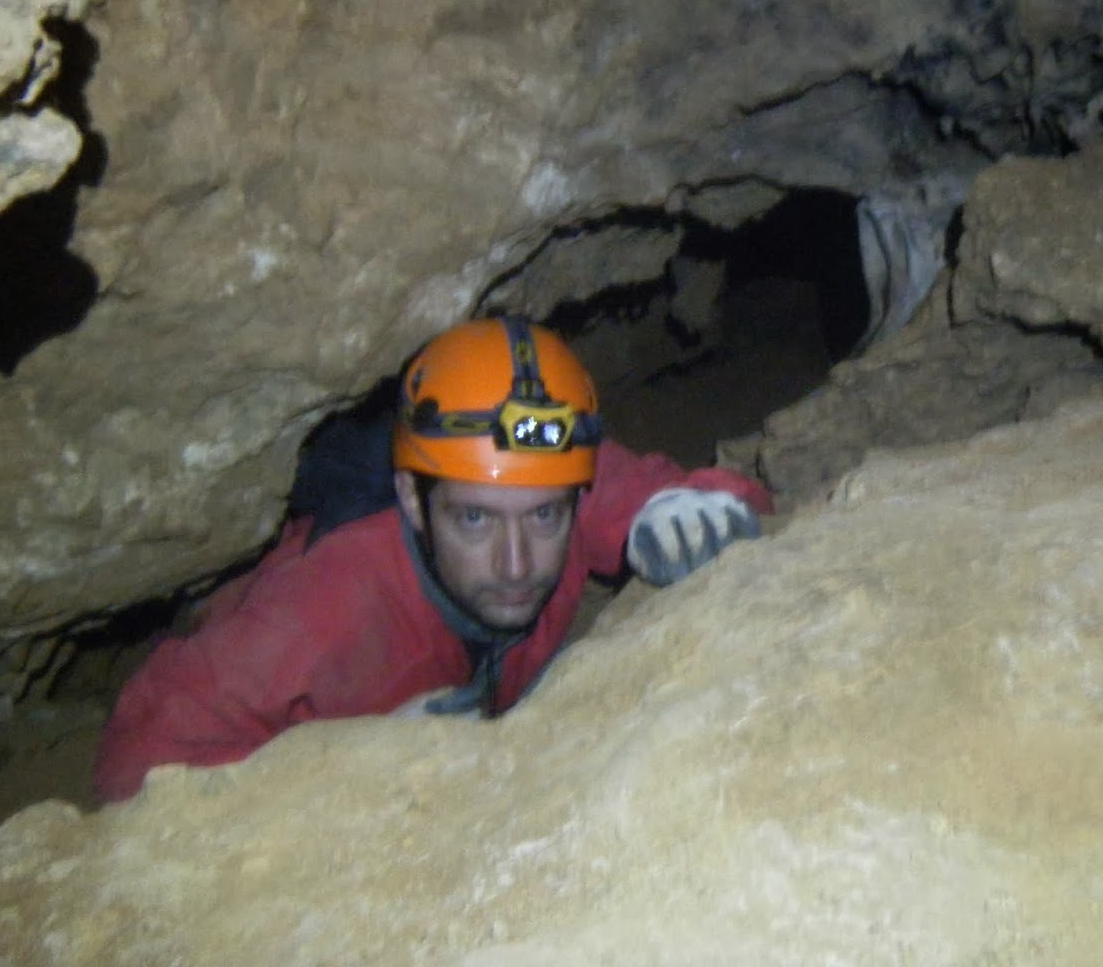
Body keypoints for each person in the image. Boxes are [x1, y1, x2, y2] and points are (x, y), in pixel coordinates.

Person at [93, 315, 771, 802]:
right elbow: (133, 764)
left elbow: (713, 497)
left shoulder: (547, 485)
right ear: (416, 505)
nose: (515, 563)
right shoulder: (325, 612)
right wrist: (337, 767)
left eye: (544, 516)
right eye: (473, 518)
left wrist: (695, 506)